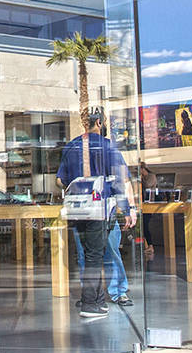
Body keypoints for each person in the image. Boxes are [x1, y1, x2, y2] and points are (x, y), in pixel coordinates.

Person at [56, 108, 136, 319]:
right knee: (102, 254)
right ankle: (96, 301)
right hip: (101, 210)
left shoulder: (71, 146)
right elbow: (120, 181)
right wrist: (128, 209)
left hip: (77, 211)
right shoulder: (107, 147)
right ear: (99, 123)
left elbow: (60, 180)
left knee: (86, 256)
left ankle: (96, 300)